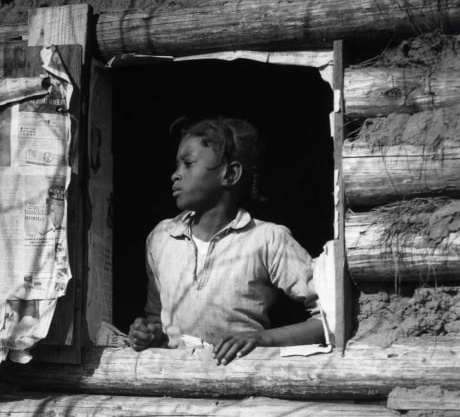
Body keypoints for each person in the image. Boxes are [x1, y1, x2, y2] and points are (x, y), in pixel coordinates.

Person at [128, 117, 324, 365]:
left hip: (238, 386)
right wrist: (149, 333)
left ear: (230, 174)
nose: (175, 175)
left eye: (188, 164)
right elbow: (157, 317)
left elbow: (329, 319)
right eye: (177, 165)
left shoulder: (267, 239)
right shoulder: (162, 238)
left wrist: (262, 339)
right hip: (175, 387)